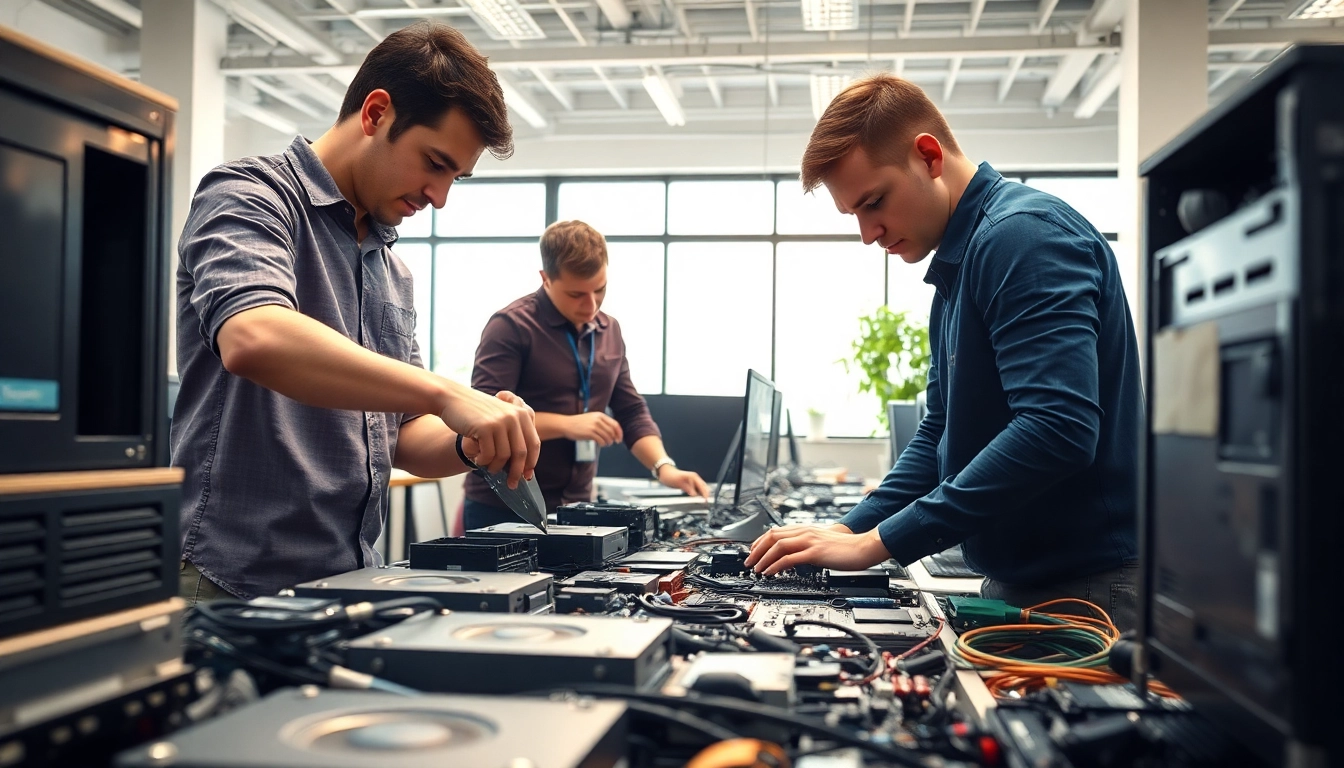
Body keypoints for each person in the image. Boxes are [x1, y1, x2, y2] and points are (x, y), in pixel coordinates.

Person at [744, 74, 1143, 630]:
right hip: (1030, 581)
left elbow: (1058, 428)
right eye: (854, 215)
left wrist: (878, 543)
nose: (867, 234)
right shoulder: (960, 265)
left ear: (928, 155)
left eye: (874, 202)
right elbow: (939, 434)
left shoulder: (1022, 237)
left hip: (1088, 588)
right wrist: (852, 529)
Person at [172, 22, 540, 604]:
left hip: (347, 584)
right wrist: (444, 392)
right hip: (232, 582)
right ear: (376, 113)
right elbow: (254, 335)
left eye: (456, 178)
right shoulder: (249, 195)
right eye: (435, 163)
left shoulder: (392, 270)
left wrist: (469, 442)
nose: (440, 196)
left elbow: (405, 436)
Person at [465, 220, 711, 529]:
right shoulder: (510, 327)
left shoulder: (610, 330)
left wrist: (664, 468)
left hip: (576, 507)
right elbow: (486, 420)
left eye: (600, 289)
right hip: (506, 506)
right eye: (576, 294)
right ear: (546, 279)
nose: (591, 304)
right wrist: (569, 425)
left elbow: (631, 410)